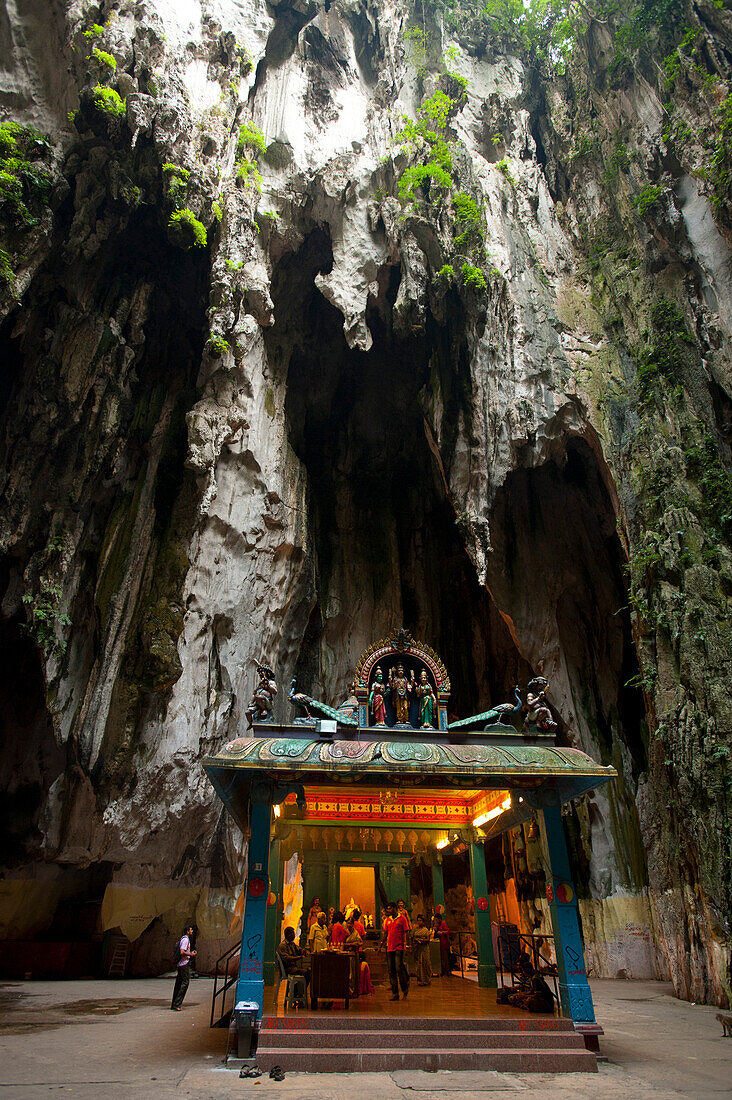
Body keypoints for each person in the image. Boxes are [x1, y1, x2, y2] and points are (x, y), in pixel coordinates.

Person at [381, 902, 410, 1001]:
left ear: (395, 909)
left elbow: (407, 932)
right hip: (390, 948)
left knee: (398, 967)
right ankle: (395, 993)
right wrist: (381, 945)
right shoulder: (387, 920)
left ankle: (405, 988)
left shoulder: (402, 919)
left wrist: (408, 946)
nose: (388, 911)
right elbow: (385, 934)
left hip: (399, 947)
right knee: (391, 971)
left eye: (390, 909)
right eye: (387, 909)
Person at [277, 926, 310, 996]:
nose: (294, 936)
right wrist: (299, 957)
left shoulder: (292, 944)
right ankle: (297, 992)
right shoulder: (283, 945)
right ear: (288, 935)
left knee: (309, 972)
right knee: (307, 973)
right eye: (293, 934)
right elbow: (287, 959)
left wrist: (304, 951)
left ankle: (297, 991)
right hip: (288, 969)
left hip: (293, 968)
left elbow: (299, 949)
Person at [171, 923, 196, 1010]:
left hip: (181, 964)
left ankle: (174, 1004)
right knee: (185, 982)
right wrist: (191, 954)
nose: (192, 931)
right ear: (187, 931)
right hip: (184, 964)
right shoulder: (185, 940)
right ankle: (177, 1004)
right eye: (191, 929)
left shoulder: (183, 939)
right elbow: (182, 952)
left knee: (179, 983)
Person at [412, 914, 432, 986]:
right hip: (417, 948)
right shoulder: (415, 929)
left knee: (425, 963)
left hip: (424, 948)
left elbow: (428, 939)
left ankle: (427, 979)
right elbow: (412, 937)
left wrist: (421, 940)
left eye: (420, 920)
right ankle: (420, 980)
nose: (419, 922)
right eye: (418, 920)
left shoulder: (425, 930)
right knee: (419, 964)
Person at [433, 912, 451, 976]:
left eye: (437, 919)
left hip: (444, 943)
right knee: (442, 957)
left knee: (445, 958)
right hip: (440, 943)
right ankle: (443, 970)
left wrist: (442, 932)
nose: (436, 921)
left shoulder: (443, 923)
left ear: (439, 919)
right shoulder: (438, 924)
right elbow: (436, 927)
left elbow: (448, 931)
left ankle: (446, 971)